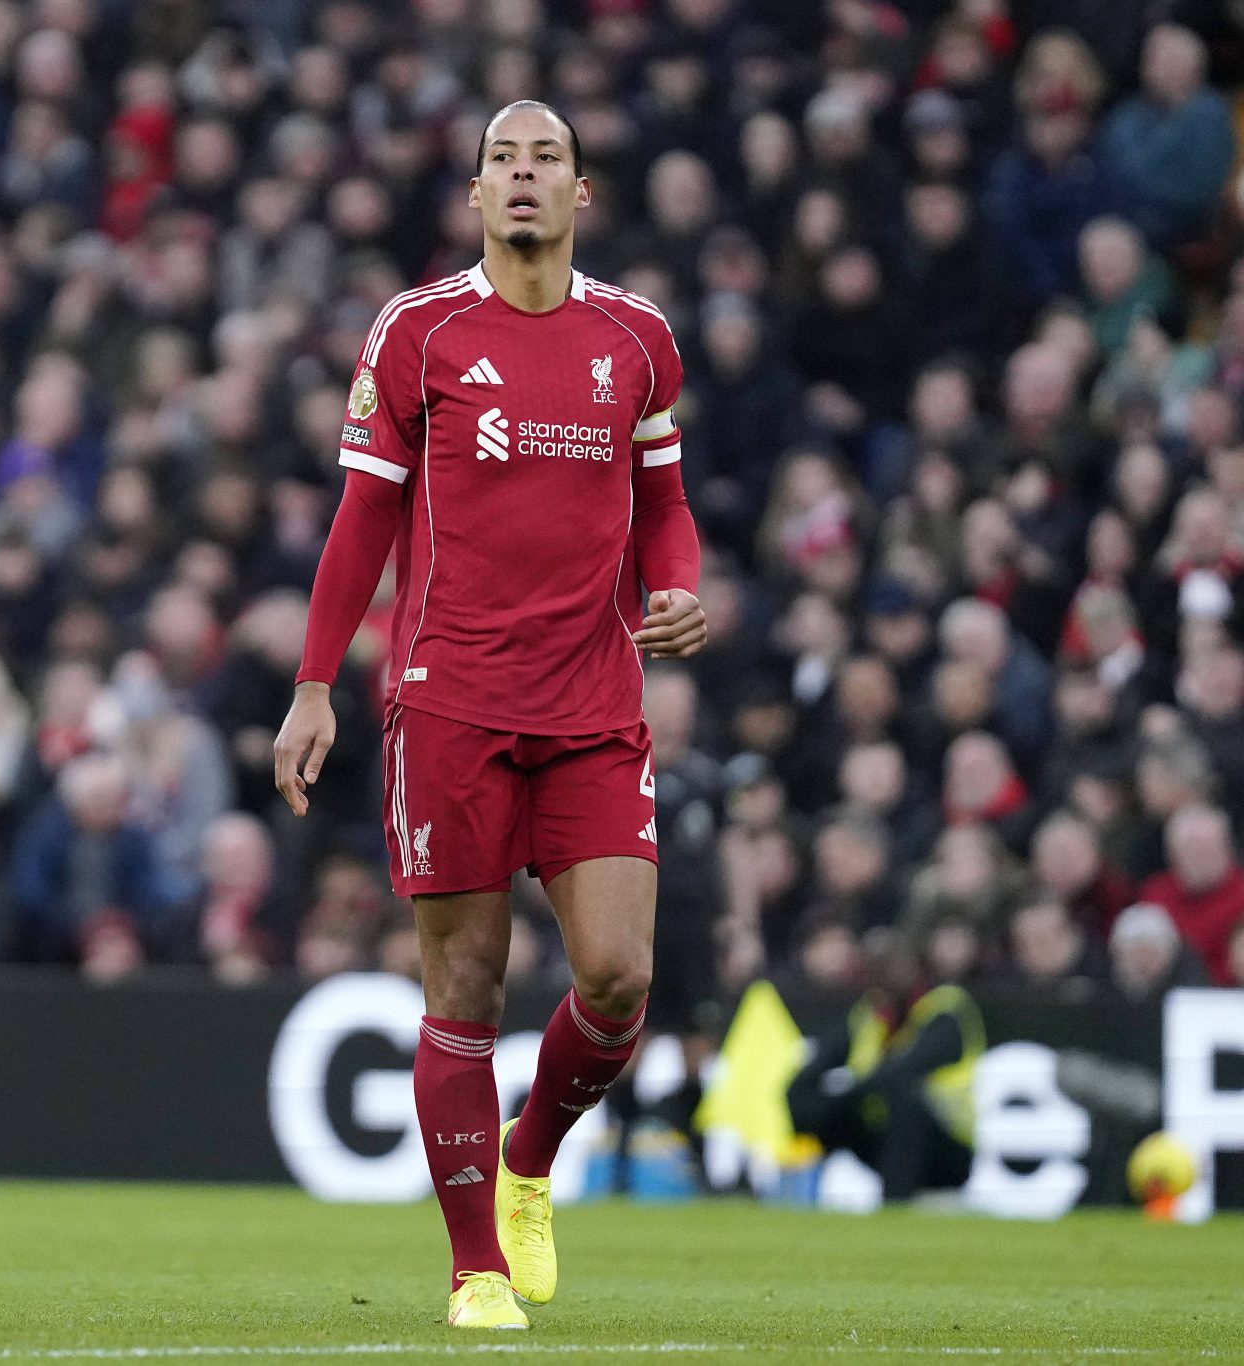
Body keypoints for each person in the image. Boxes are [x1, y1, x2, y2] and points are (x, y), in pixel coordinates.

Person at [273, 100, 705, 1330]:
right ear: (472, 196)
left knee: (618, 977)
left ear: (581, 194)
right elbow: (361, 523)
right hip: (448, 704)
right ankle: (474, 1269)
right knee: (464, 985)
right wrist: (313, 685)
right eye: (501, 162)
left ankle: (529, 1155)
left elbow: (663, 501)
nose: (523, 177)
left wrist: (676, 585)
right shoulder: (416, 333)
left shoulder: (636, 339)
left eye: (546, 159)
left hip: (591, 701)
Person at [786, 931, 981, 1201]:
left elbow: (903, 1070)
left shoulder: (945, 1008)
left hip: (949, 1146)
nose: (885, 977)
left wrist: (844, 1096)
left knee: (902, 1097)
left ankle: (894, 1199)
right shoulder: (868, 1014)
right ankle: (801, 1188)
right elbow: (817, 1066)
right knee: (804, 1099)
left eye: (891, 966)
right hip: (887, 1139)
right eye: (875, 968)